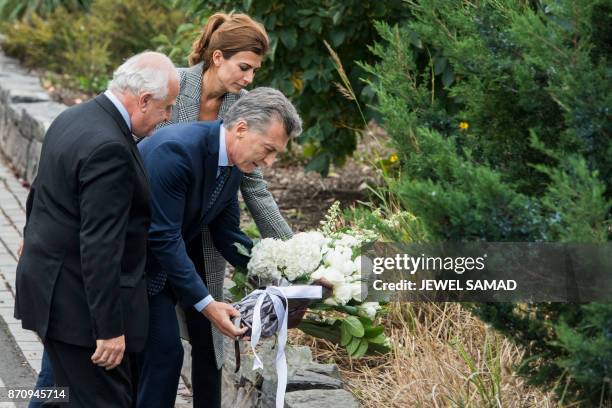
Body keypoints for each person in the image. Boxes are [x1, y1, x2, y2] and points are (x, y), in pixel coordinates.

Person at [138, 12, 294, 408]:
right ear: (218, 57)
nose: (249, 78)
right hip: (155, 231)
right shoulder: (173, 85)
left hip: (206, 236)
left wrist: (293, 257)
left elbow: (254, 189)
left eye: (255, 70)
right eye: (244, 67)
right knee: (161, 349)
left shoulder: (244, 108)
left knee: (209, 346)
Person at [14, 51, 179, 408]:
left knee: (58, 397)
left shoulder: (74, 116)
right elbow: (101, 245)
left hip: (50, 288)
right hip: (78, 309)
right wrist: (108, 330)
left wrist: (31, 241)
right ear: (144, 100)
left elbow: (41, 191)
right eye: (167, 108)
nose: (167, 117)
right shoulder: (110, 147)